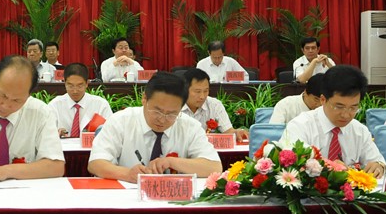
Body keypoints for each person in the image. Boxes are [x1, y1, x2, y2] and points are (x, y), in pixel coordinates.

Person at [88, 72, 223, 183]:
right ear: (144, 99)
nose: (162, 119)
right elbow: (96, 163)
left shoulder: (190, 126)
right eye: (157, 111)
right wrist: (127, 174)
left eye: (171, 114)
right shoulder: (120, 121)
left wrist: (171, 162)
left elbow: (214, 167)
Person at [276, 66, 386, 178]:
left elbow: (379, 162)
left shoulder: (359, 131)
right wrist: (328, 166)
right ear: (323, 100)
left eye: (353, 108)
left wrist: (379, 166)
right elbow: (291, 166)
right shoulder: (300, 126)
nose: (346, 115)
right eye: (339, 107)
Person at [181, 68, 249, 142]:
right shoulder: (175, 106)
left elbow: (228, 131)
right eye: (198, 91)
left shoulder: (214, 104)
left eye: (206, 91)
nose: (202, 96)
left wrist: (236, 132)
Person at [48, 63, 112, 138]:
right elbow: (46, 132)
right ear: (65, 83)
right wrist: (56, 133)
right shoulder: (55, 105)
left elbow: (111, 131)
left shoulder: (101, 105)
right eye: (71, 86)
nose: (75, 91)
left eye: (80, 86)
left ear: (87, 83)